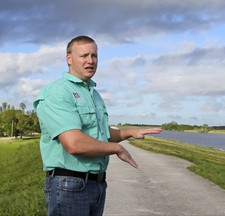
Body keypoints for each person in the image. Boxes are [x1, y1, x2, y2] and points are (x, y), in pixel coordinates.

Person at [33, 35, 162, 216]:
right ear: (69, 59)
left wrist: (128, 132)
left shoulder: (93, 94)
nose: (90, 61)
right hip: (69, 185)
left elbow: (99, 133)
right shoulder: (58, 92)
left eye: (94, 56)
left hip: (97, 185)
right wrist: (116, 149)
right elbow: (74, 143)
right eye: (84, 55)